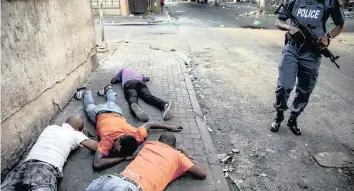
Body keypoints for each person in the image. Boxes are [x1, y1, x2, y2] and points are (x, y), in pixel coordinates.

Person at [271, 0, 345, 135]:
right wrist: (290, 28)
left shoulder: (330, 2)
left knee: (305, 90)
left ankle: (293, 119)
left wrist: (328, 38)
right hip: (292, 48)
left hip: (313, 52)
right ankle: (279, 114)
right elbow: (278, 21)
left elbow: (340, 24)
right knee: (284, 86)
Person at [75, 85, 183, 170]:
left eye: (118, 142)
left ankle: (108, 89)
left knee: (110, 102)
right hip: (100, 112)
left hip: (115, 111)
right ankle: (87, 92)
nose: (117, 140)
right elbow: (97, 164)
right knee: (90, 106)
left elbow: (149, 124)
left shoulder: (135, 135)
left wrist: (170, 127)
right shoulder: (112, 140)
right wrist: (123, 158)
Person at [1, 116, 98, 191]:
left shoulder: (50, 128)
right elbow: (96, 146)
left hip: (22, 167)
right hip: (44, 170)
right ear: (78, 129)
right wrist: (83, 134)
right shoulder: (76, 134)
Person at [85, 132, 206, 191]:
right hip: (131, 188)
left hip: (110, 180)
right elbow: (201, 174)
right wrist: (187, 154)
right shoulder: (177, 156)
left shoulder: (148, 145)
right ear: (173, 146)